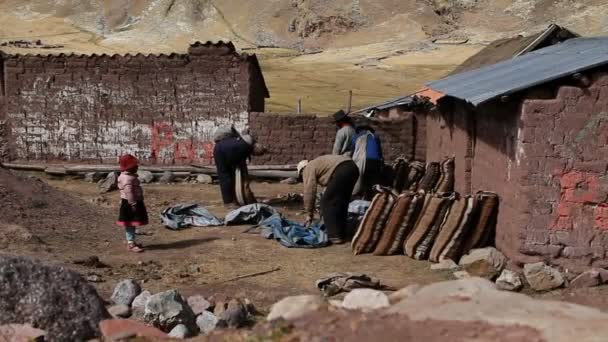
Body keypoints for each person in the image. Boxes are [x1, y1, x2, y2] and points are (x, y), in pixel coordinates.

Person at [298, 155, 359, 244]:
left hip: (342, 170)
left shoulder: (308, 168)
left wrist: (309, 213)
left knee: (326, 202)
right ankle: (342, 233)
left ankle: (334, 236)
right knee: (341, 202)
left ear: (302, 170)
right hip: (353, 168)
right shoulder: (318, 163)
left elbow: (309, 192)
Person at [213, 127, 264, 207]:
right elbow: (242, 170)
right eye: (256, 154)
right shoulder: (245, 147)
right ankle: (233, 201)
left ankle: (230, 200)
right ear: (254, 149)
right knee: (231, 177)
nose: (255, 155)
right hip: (224, 152)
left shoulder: (244, 140)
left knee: (226, 176)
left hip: (219, 149)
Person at [116, 154, 149, 253]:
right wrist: (133, 204)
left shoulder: (129, 176)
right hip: (130, 204)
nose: (137, 167)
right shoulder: (127, 179)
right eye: (135, 166)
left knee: (132, 224)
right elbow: (128, 192)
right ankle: (130, 243)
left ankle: (131, 241)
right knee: (130, 224)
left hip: (131, 203)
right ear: (129, 167)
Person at [351, 125, 384, 200]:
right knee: (373, 183)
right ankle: (373, 200)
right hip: (375, 162)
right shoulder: (375, 136)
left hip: (362, 161)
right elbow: (379, 152)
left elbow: (353, 151)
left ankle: (361, 198)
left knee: (362, 182)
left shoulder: (356, 137)